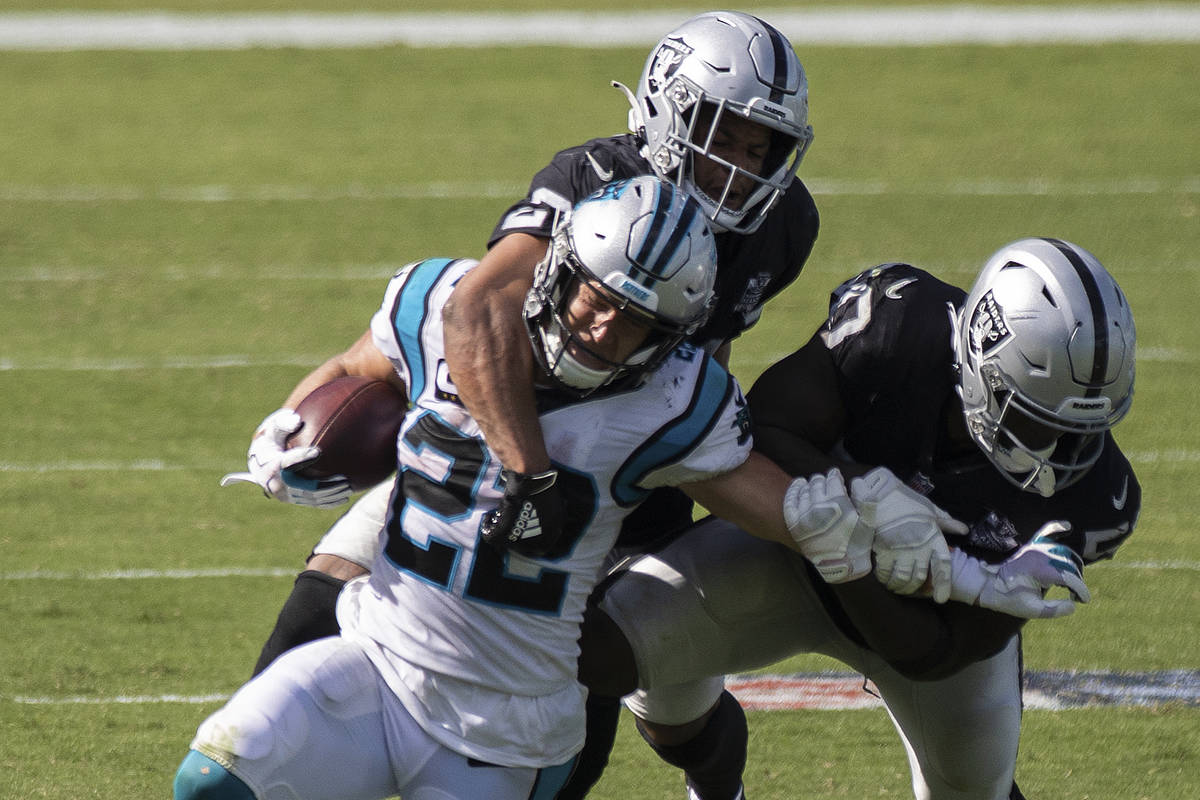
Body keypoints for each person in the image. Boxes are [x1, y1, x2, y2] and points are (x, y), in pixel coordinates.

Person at [178, 176, 945, 800]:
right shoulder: (438, 301)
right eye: (597, 296)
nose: (606, 328)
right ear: (559, 268)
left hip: (506, 725)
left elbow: (770, 505)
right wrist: (289, 426)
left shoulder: (671, 403)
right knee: (214, 780)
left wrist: (858, 528)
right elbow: (354, 372)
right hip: (376, 657)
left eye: (638, 322)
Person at [245, 12, 821, 795]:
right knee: (319, 608)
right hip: (495, 435)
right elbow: (476, 309)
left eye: (761, 149)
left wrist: (676, 453)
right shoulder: (591, 179)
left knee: (641, 699)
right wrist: (527, 470)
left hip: (622, 459)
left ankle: (720, 787)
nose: (741, 168)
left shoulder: (784, 226)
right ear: (668, 109)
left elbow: (705, 359)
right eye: (724, 136)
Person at [578, 237, 1141, 799]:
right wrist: (863, 496)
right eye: (1039, 421)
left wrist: (852, 562)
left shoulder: (1096, 498)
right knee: (607, 654)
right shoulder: (898, 326)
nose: (1063, 455)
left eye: (1082, 430)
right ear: (977, 361)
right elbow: (763, 431)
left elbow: (932, 655)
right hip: (790, 554)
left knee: (974, 791)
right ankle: (716, 787)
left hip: (920, 627)